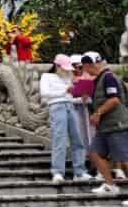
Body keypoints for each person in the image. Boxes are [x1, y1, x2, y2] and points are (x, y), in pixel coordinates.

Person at [39, 54, 91, 184]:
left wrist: (82, 98)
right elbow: (45, 93)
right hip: (56, 107)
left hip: (70, 105)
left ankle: (79, 172)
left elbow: (69, 97)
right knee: (59, 138)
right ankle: (57, 172)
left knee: (77, 138)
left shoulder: (68, 77)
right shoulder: (47, 77)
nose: (67, 70)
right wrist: (65, 90)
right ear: (56, 65)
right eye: (64, 68)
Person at [82, 53, 128, 197]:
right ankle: (110, 185)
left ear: (89, 65)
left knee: (125, 159)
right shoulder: (98, 80)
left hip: (116, 124)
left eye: (84, 67)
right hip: (105, 127)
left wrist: (98, 113)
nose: (85, 71)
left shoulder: (108, 77)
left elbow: (114, 100)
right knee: (94, 152)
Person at [70, 54, 96, 153]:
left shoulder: (90, 77)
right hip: (74, 111)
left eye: (80, 67)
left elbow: (92, 97)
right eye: (74, 67)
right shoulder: (68, 79)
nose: (77, 70)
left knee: (91, 135)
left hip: (88, 111)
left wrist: (85, 98)